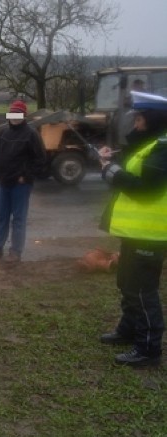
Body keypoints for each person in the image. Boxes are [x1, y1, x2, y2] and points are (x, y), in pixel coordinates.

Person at [96, 90, 167, 368]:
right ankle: (128, 330)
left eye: (139, 119)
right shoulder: (150, 144)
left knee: (141, 290)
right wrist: (109, 160)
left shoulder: (163, 147)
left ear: (153, 119)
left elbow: (145, 190)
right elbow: (132, 165)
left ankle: (148, 349)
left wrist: (110, 171)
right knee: (126, 282)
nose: (135, 124)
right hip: (136, 232)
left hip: (151, 235)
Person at [0, 99, 47, 263]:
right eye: (13, 113)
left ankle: (15, 252)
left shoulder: (31, 134)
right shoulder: (3, 133)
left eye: (18, 114)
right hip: (3, 182)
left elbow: (41, 159)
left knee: (18, 219)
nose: (15, 117)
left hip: (20, 184)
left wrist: (26, 176)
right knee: (1, 216)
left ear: (24, 115)